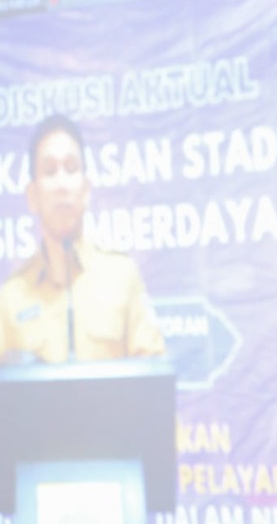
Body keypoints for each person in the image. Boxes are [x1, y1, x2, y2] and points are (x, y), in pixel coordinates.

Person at [0, 114, 165, 363]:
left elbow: (153, 373)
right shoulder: (10, 299)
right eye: (49, 171)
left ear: (86, 190)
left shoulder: (121, 277)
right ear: (32, 196)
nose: (62, 184)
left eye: (71, 169)